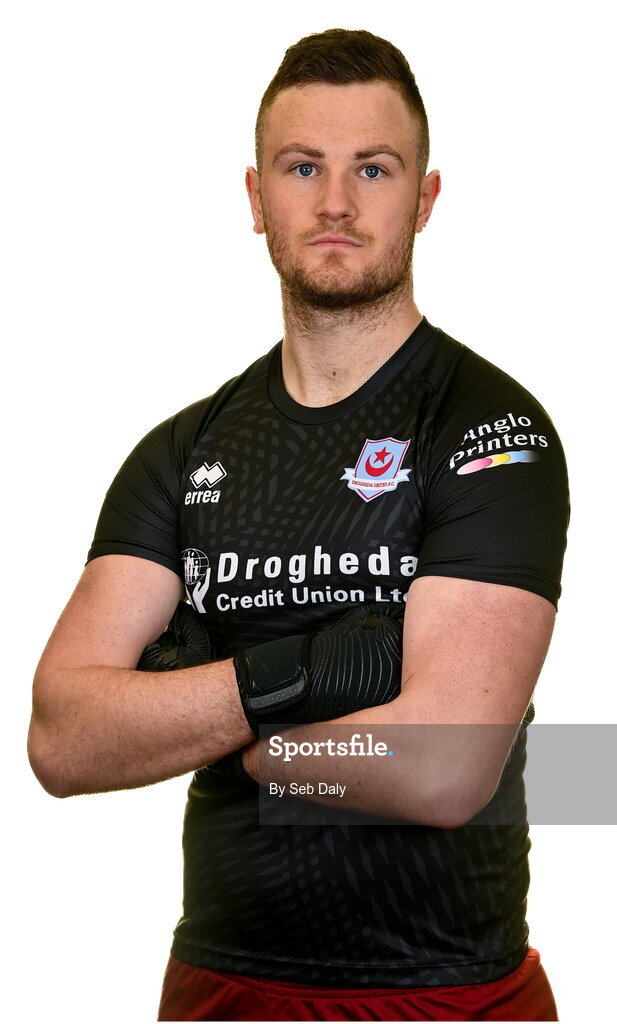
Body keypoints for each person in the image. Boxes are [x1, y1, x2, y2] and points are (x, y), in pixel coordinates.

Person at [27, 27, 569, 1023]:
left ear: (424, 198)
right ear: (255, 197)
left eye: (373, 168)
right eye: (302, 167)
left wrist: (245, 749)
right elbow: (63, 738)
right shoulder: (182, 452)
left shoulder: (489, 430)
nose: (335, 203)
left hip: (447, 992)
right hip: (222, 987)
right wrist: (303, 674)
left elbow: (445, 766)